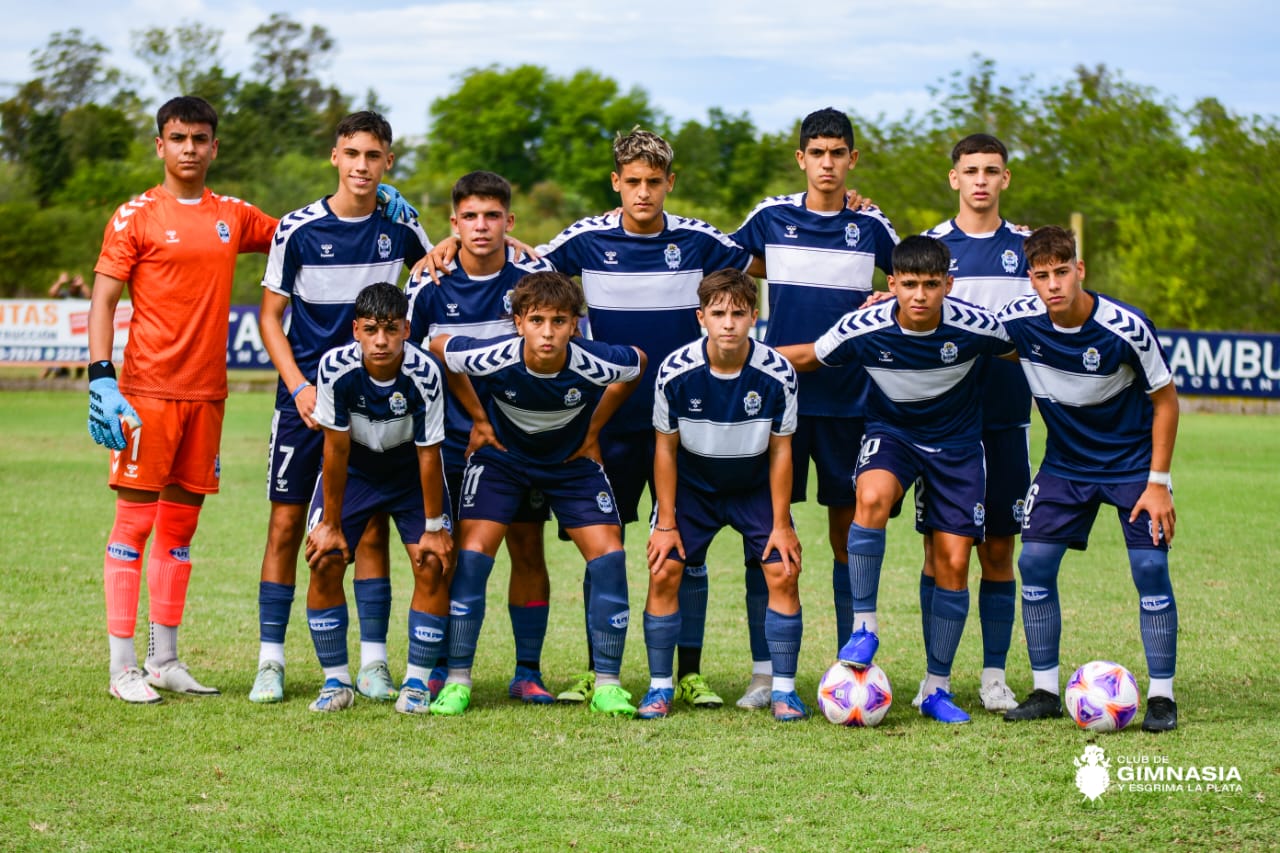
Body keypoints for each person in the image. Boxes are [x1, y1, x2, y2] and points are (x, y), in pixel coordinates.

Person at [416, 128, 752, 708]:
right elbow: (526, 271)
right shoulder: (584, 239)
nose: (643, 192)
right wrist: (452, 244)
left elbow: (766, 260)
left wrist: (855, 239)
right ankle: (600, 673)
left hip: (684, 422)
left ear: (669, 183)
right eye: (633, 181)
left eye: (654, 182)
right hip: (605, 432)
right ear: (616, 182)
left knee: (685, 549)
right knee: (604, 548)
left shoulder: (700, 240)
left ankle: (688, 674)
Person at [87, 95, 279, 703]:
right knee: (133, 524)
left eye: (199, 139)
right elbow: (103, 299)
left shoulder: (234, 215)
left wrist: (373, 202)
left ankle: (163, 660)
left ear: (214, 147)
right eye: (178, 138)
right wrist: (101, 376)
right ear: (160, 145)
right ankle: (122, 669)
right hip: (146, 394)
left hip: (207, 395)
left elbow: (302, 233)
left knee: (179, 531)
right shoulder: (135, 216)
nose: (189, 149)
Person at [778, 235, 1014, 724]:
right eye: (909, 284)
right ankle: (864, 628)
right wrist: (735, 354)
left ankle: (936, 687)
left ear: (948, 284)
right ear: (892, 283)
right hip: (893, 436)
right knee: (871, 497)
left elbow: (1030, 348)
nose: (920, 295)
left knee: (954, 561)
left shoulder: (976, 326)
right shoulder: (863, 326)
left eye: (931, 284)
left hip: (957, 446)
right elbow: (809, 357)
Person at [251, 111, 432, 705]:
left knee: (370, 525)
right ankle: (270, 661)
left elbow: (440, 262)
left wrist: (466, 237)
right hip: (304, 402)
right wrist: (300, 386)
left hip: (371, 404)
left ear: (388, 163)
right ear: (335, 157)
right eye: (352, 153)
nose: (361, 165)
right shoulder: (298, 228)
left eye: (373, 156)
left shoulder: (400, 225)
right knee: (286, 524)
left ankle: (374, 663)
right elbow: (270, 317)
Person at [728, 107, 898, 708]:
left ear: (853, 158)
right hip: (780, 402)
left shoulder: (871, 225)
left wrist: (886, 296)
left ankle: (852, 666)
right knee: (765, 533)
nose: (828, 164)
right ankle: (764, 672)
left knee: (847, 536)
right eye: (817, 153)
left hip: (850, 402)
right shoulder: (770, 218)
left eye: (838, 153)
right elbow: (724, 263)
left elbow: (919, 276)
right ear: (801, 159)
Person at [427, 272, 646, 717]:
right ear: (518, 322)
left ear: (575, 325)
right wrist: (479, 418)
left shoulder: (594, 361)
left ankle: (608, 684)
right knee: (473, 557)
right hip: (502, 462)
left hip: (569, 465)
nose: (548, 333)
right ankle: (458, 680)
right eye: (537, 321)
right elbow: (439, 347)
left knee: (610, 557)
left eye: (559, 321)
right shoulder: (494, 355)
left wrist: (594, 428)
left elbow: (637, 363)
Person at [998, 225, 1180, 732]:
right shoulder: (1020, 322)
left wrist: (1158, 482)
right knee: (1033, 562)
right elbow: (960, 324)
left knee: (1150, 568)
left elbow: (1166, 401)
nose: (1053, 284)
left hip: (1132, 465)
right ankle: (1045, 691)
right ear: (1030, 280)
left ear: (1079, 270)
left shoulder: (1127, 328)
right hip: (1065, 465)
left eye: (1062, 272)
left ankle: (1162, 698)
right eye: (1042, 276)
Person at [407, 170, 557, 704]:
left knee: (527, 547)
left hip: (520, 442)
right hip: (449, 442)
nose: (481, 226)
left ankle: (527, 670)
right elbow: (408, 364)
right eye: (469, 216)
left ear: (509, 221)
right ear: (453, 223)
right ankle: (441, 665)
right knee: (446, 553)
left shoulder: (533, 278)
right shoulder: (428, 282)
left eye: (493, 216)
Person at [639, 269, 806, 722]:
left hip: (753, 486)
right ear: (701, 318)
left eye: (738, 313)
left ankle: (784, 691)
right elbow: (665, 449)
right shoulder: (675, 371)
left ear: (755, 315)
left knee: (783, 570)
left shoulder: (778, 373)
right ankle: (659, 687)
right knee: (664, 570)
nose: (728, 323)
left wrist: (782, 524)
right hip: (694, 487)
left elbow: (782, 451)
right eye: (718, 314)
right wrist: (666, 523)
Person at [912, 134, 1031, 712]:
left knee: (998, 551)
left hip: (1007, 419)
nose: (981, 180)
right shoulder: (930, 248)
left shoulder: (1028, 250)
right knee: (940, 553)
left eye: (992, 170)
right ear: (954, 178)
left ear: (1005, 178)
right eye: (971, 170)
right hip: (941, 426)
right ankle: (934, 678)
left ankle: (993, 676)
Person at [303, 282, 453, 713]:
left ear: (406, 329)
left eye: (390, 329)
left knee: (431, 562)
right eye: (371, 330)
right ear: (356, 330)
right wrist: (331, 525)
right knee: (324, 558)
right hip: (355, 471)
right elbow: (335, 449)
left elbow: (429, 455)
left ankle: (416, 684)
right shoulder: (335, 368)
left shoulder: (425, 372)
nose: (381, 340)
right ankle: (336, 682)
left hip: (409, 474)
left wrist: (433, 528)